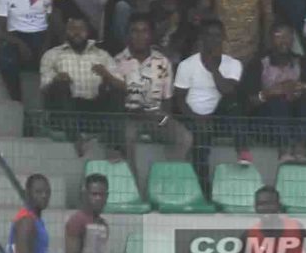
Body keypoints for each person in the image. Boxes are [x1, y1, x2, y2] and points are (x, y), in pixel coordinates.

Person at [39, 14, 124, 155]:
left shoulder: (102, 55)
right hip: (66, 109)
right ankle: (75, 138)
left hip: (95, 109)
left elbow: (122, 86)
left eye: (81, 29)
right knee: (61, 85)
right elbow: (44, 88)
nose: (77, 32)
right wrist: (57, 79)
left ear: (88, 31)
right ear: (66, 31)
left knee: (116, 92)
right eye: (72, 28)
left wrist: (106, 76)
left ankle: (115, 147)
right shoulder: (52, 55)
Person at [114, 15, 192, 166]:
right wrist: (137, 113)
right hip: (130, 118)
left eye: (144, 31)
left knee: (185, 137)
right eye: (135, 31)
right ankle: (133, 180)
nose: (139, 36)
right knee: (127, 137)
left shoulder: (162, 62)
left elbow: (167, 99)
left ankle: (166, 176)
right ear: (128, 35)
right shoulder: (118, 61)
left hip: (156, 117)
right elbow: (117, 101)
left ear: (151, 35)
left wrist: (163, 119)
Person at [173, 19, 244, 182]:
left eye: (217, 35)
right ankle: (203, 184)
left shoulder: (233, 64)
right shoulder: (187, 65)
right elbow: (180, 100)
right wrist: (196, 118)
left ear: (223, 38)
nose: (213, 40)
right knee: (201, 138)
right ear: (201, 38)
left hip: (219, 117)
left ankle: (242, 148)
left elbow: (227, 91)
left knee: (233, 102)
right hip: (192, 117)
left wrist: (214, 69)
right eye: (209, 35)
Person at [250, 22, 306, 161]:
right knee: (279, 101)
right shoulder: (260, 63)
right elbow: (250, 101)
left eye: (288, 36)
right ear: (270, 39)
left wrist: (300, 88)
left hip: (297, 117)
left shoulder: (301, 62)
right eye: (278, 36)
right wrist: (272, 92)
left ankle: (301, 148)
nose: (283, 41)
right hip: (268, 122)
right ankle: (284, 149)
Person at [200, 0, 273, 90]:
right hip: (220, 48)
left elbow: (268, 16)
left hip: (250, 49)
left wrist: (266, 44)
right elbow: (202, 11)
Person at [63, 174, 112, 253]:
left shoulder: (103, 225)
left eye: (102, 195)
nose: (98, 199)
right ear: (85, 195)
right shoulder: (77, 221)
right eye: (94, 194)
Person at [3, 174, 52, 253]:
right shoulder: (26, 221)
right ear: (28, 194)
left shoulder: (36, 221)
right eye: (38, 192)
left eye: (47, 192)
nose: (44, 196)